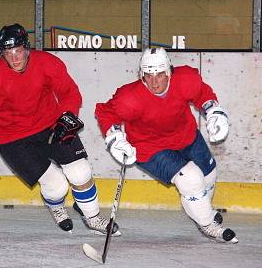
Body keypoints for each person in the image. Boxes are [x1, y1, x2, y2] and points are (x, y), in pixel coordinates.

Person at [0, 23, 120, 236]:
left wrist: (67, 116)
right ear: (2, 53)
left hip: (51, 125)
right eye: (8, 53)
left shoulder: (47, 63)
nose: (15, 58)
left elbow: (69, 93)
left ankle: (92, 218)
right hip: (13, 138)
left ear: (27, 48)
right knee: (57, 186)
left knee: (80, 171)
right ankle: (56, 206)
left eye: (18, 51)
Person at [95, 47, 238, 243]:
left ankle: (204, 211)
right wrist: (114, 138)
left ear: (169, 72)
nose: (154, 82)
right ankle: (207, 225)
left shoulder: (185, 79)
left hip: (185, 135)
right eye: (148, 75)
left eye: (159, 74)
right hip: (150, 146)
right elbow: (106, 113)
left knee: (209, 174)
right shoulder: (130, 98)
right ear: (141, 74)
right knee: (190, 179)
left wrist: (213, 110)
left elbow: (202, 93)